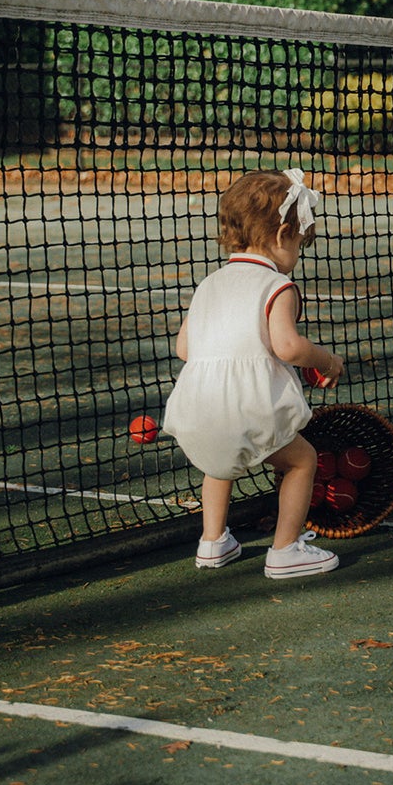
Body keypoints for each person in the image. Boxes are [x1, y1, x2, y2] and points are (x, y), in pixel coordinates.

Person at [164, 168, 344, 578]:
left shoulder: (210, 283)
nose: (297, 252)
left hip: (196, 411)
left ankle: (212, 542)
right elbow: (288, 347)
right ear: (282, 236)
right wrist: (327, 361)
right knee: (300, 461)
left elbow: (184, 349)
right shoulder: (277, 287)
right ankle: (285, 550)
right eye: (298, 242)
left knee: (218, 465)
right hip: (250, 409)